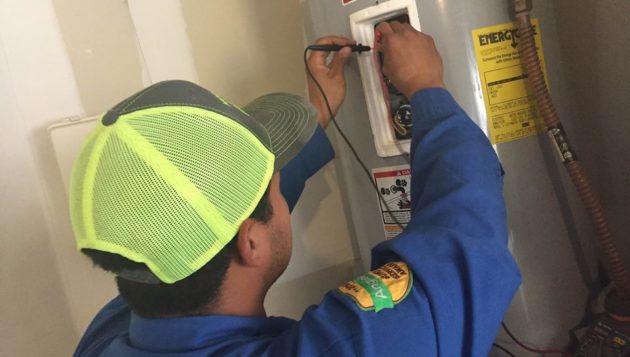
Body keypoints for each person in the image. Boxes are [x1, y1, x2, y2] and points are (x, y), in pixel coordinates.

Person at [72, 22, 520, 356]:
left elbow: (195, 224)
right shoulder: (343, 348)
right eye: (274, 188)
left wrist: (313, 116)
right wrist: (427, 87)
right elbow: (466, 245)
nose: (280, 190)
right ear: (250, 241)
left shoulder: (113, 332)